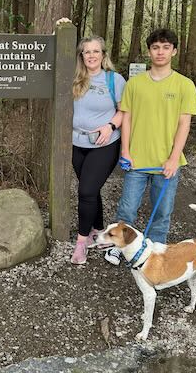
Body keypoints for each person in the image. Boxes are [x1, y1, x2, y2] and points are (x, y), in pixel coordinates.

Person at [104, 28, 196, 266]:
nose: (160, 52)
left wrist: (174, 158)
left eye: (166, 47)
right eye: (155, 47)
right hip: (136, 160)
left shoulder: (185, 85)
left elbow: (184, 124)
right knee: (127, 209)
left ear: (174, 51)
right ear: (149, 51)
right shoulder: (135, 84)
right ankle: (119, 247)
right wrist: (125, 151)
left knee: (162, 212)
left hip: (166, 163)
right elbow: (126, 118)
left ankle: (156, 254)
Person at [70, 36, 126, 265]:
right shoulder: (74, 78)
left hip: (104, 144)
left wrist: (110, 126)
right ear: (81, 56)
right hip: (77, 143)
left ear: (103, 54)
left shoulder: (114, 80)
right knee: (91, 190)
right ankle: (97, 229)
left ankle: (81, 243)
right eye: (87, 52)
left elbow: (124, 111)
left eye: (96, 51)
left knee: (85, 191)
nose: (91, 55)